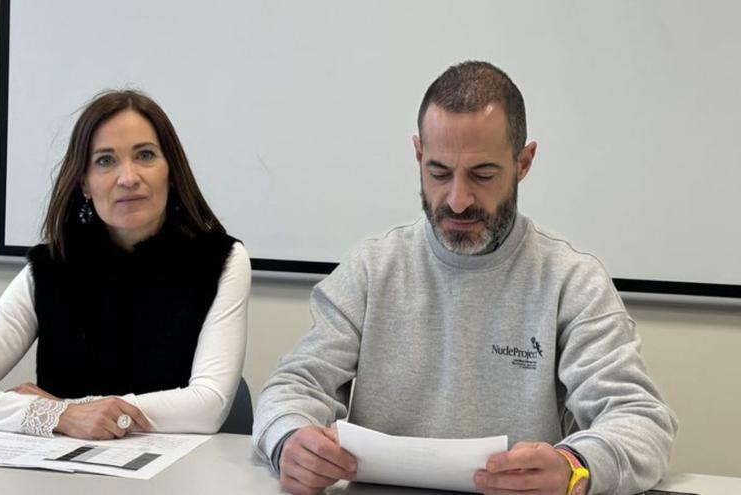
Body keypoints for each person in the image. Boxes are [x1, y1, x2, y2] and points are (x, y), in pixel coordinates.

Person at [252, 61, 676, 495]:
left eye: (483, 175)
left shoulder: (571, 281)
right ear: (418, 154)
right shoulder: (371, 269)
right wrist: (288, 440)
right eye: (438, 172)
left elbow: (641, 420)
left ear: (524, 161)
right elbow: (293, 385)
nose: (457, 201)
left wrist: (575, 468)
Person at [0, 89, 251, 439]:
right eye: (105, 161)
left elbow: (207, 406)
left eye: (145, 155)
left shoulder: (222, 260)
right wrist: (59, 415)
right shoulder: (51, 265)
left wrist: (70, 410)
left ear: (171, 170)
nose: (128, 177)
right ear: (85, 184)